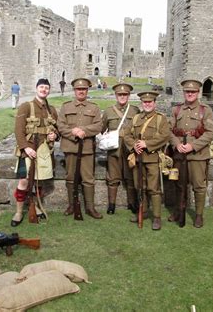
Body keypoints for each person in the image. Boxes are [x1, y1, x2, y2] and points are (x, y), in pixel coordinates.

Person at [11, 78, 58, 226]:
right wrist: (26, 147)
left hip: (44, 151)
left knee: (39, 181)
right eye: (42, 87)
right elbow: (18, 130)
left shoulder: (52, 110)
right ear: (36, 88)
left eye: (46, 88)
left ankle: (36, 206)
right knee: (24, 181)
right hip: (28, 150)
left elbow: (57, 129)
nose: (44, 90)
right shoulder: (26, 107)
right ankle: (18, 212)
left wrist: (54, 135)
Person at [168, 79, 213, 228]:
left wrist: (193, 146)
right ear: (183, 92)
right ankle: (177, 211)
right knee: (178, 185)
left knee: (199, 186)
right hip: (179, 154)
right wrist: (176, 144)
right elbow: (168, 130)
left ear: (198, 92)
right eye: (187, 91)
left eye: (193, 91)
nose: (190, 94)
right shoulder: (176, 110)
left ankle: (199, 215)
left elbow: (210, 133)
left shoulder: (205, 110)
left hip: (198, 155)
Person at [123, 91, 171, 230]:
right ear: (142, 103)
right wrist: (134, 145)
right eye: (145, 102)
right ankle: (142, 212)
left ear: (154, 103)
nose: (147, 104)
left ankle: (156, 218)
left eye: (150, 102)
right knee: (140, 187)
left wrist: (146, 144)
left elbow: (164, 136)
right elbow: (126, 134)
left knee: (153, 189)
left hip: (152, 158)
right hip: (137, 158)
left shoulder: (160, 119)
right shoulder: (137, 118)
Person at [57, 77, 103, 219]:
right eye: (78, 89)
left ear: (87, 90)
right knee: (70, 177)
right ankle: (72, 205)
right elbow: (60, 125)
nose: (81, 91)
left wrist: (83, 130)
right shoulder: (66, 107)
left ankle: (90, 207)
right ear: (74, 90)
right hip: (70, 147)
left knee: (88, 178)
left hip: (87, 149)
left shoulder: (94, 108)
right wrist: (73, 132)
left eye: (84, 89)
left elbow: (98, 125)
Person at [102, 83, 140, 215]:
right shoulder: (108, 111)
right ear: (116, 95)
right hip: (114, 149)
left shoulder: (135, 111)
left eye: (125, 94)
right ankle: (111, 205)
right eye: (120, 94)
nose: (122, 97)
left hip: (130, 149)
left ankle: (132, 203)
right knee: (112, 178)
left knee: (130, 177)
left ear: (129, 96)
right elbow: (102, 129)